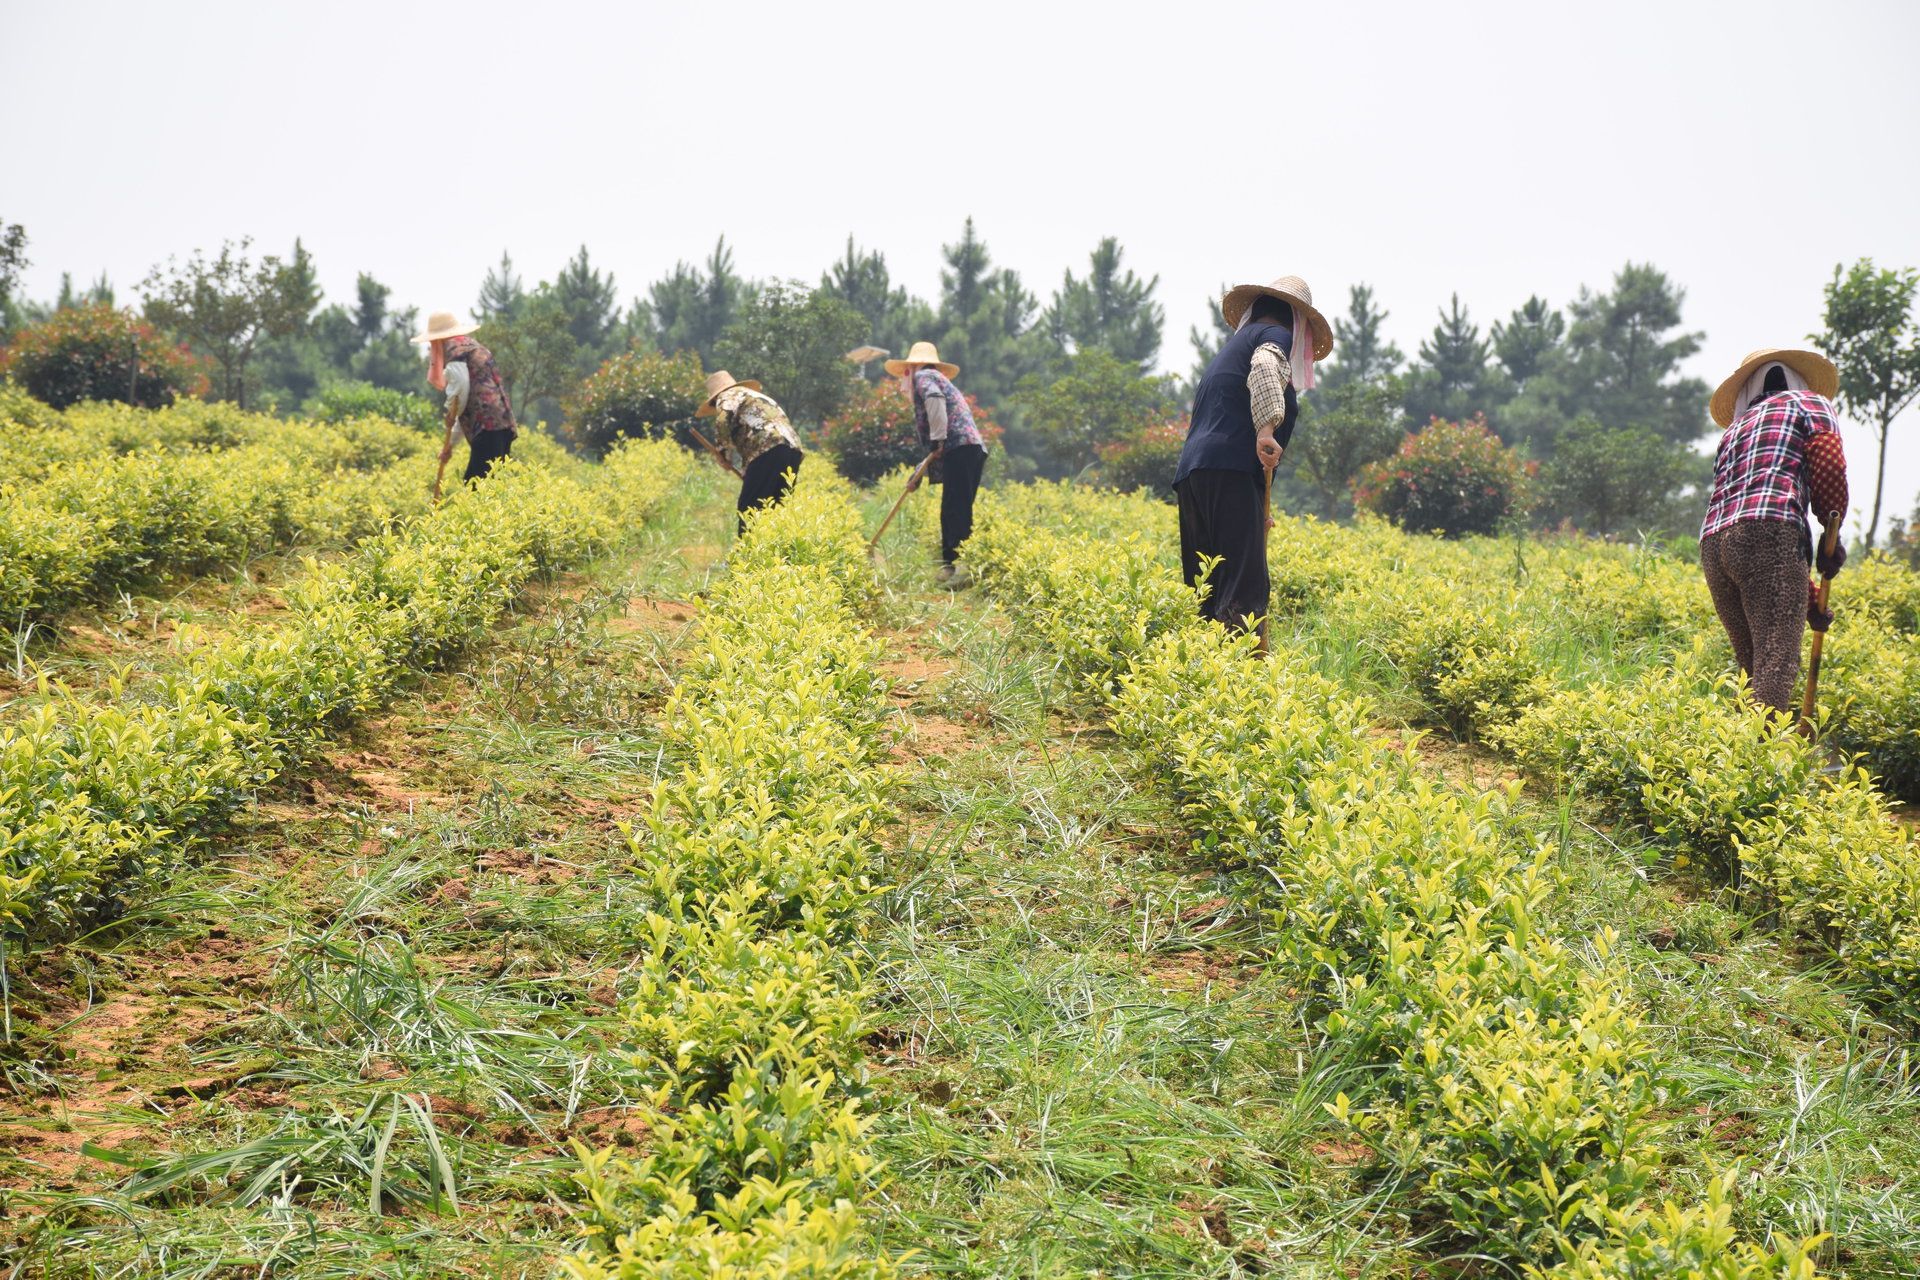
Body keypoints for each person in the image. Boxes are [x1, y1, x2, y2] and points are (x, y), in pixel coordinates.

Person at [1174, 275, 1332, 637]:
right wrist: (1266, 427)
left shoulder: (1232, 350)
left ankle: (1201, 679)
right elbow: (1265, 368)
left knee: (1209, 588)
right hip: (1228, 473)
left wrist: (1257, 505)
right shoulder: (1273, 337)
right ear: (1295, 320)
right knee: (1243, 591)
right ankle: (1247, 684)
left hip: (1195, 475)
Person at [1700, 348, 1850, 717]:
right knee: (1777, 662)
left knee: (1752, 667)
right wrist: (1833, 529)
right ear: (1798, 379)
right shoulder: (1809, 402)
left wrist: (1808, 598)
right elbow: (1828, 462)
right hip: (1769, 534)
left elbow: (1746, 525)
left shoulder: (1735, 429)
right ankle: (1760, 765)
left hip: (1714, 545)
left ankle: (1734, 761)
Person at [885, 341, 988, 586]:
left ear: (912, 367)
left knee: (956, 509)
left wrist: (938, 439)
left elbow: (934, 402)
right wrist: (917, 475)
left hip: (961, 449)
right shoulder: (935, 378)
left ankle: (960, 569)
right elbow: (937, 449)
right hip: (967, 450)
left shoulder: (924, 377)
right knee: (954, 508)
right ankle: (952, 567)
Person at [695, 370, 805, 535]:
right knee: (777, 507)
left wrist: (723, 454)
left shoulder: (728, 395)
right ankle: (779, 555)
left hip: (767, 448)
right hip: (792, 449)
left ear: (717, 397)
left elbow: (723, 421)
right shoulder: (755, 397)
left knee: (750, 507)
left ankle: (745, 556)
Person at [413, 311, 517, 482]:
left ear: (438, 339)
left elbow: (460, 390)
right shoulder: (473, 347)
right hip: (502, 423)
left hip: (488, 427)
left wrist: (450, 414)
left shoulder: (454, 350)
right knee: (494, 481)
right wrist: (451, 444)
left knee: (477, 483)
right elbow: (466, 401)